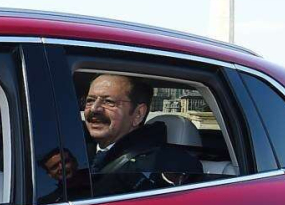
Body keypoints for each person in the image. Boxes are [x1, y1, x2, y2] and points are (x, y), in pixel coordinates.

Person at [46, 74, 202, 198]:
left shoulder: (158, 165)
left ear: (138, 114)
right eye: (90, 100)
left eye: (109, 102)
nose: (94, 109)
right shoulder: (74, 151)